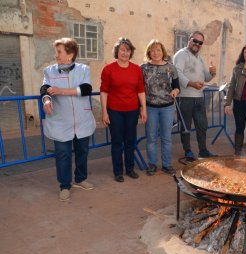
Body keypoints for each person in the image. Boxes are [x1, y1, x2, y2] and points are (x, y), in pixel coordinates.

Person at [40, 37, 96, 201]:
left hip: (81, 119)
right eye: (56, 51)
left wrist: (62, 91)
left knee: (82, 151)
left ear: (70, 54)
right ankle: (64, 185)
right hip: (60, 121)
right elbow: (44, 89)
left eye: (59, 52)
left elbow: (86, 89)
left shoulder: (83, 69)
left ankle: (80, 178)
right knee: (63, 154)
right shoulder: (49, 71)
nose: (56, 55)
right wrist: (47, 99)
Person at [100, 37, 147, 182]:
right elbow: (104, 92)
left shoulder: (136, 69)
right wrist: (104, 112)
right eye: (122, 50)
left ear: (130, 53)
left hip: (132, 111)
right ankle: (118, 172)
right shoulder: (108, 69)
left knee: (130, 141)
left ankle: (130, 169)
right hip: (114, 111)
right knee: (117, 142)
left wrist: (143, 109)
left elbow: (140, 90)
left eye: (128, 50)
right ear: (117, 51)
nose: (125, 53)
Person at [173, 31, 217, 158]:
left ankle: (203, 151)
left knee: (202, 125)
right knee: (186, 128)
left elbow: (206, 78)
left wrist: (212, 73)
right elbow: (177, 73)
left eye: (200, 42)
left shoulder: (200, 58)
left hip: (199, 98)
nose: (197, 44)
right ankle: (188, 152)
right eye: (195, 41)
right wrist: (191, 84)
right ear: (189, 40)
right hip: (185, 98)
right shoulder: (181, 54)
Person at [141, 39, 179, 176]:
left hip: (167, 107)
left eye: (158, 50)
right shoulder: (143, 68)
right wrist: (142, 107)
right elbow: (139, 89)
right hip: (150, 107)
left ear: (162, 52)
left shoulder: (171, 67)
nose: (156, 52)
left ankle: (167, 165)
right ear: (149, 52)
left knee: (166, 137)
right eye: (153, 50)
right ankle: (152, 164)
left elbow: (177, 86)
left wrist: (176, 91)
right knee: (151, 137)